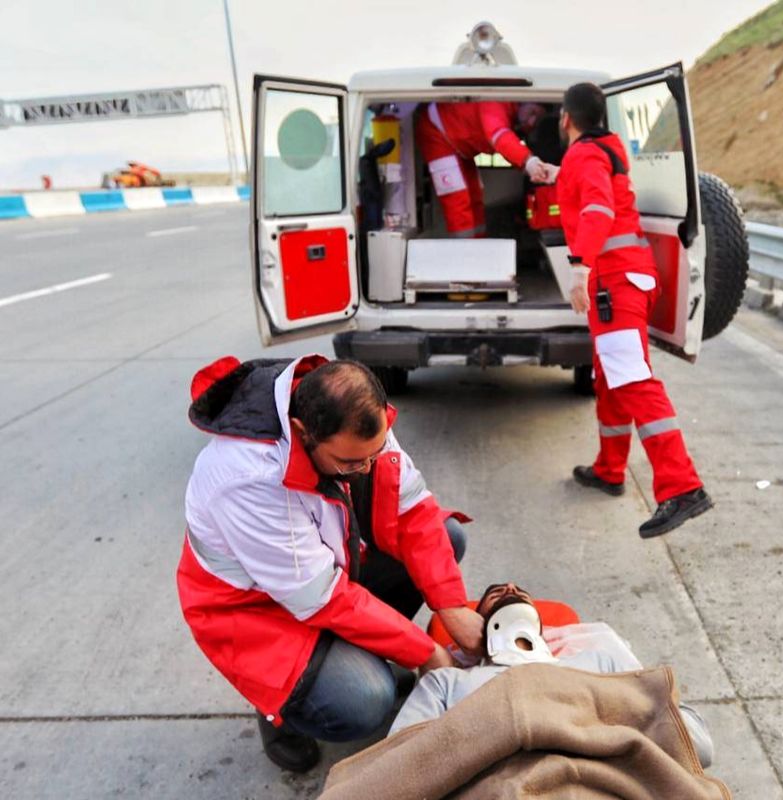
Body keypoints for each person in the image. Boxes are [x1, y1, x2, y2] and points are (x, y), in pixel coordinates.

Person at [176, 355, 485, 773]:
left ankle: (353, 659)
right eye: (351, 463)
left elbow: (413, 511)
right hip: (255, 611)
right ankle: (278, 712)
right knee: (366, 700)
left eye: (374, 453)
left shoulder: (355, 419)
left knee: (447, 538)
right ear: (304, 433)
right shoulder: (246, 478)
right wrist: (425, 651)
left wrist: (450, 606)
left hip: (321, 572)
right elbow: (322, 600)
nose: (366, 468)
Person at [556, 82, 712, 538]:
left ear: (566, 118)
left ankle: (682, 486)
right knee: (610, 379)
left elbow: (599, 211)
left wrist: (579, 267)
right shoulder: (608, 149)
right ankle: (609, 469)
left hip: (612, 283)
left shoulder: (584, 156)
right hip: (631, 278)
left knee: (632, 381)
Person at [387, 582, 714, 768]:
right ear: (475, 629)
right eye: (496, 592)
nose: (511, 587)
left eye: (518, 591)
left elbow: (698, 747)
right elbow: (395, 763)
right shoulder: (447, 681)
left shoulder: (598, 661)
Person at [415, 101, 552, 238]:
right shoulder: (495, 105)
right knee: (458, 202)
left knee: (476, 196)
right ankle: (465, 254)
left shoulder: (511, 113)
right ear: (523, 102)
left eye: (538, 120)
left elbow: (505, 146)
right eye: (532, 112)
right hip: (436, 134)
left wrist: (527, 167)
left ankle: (480, 246)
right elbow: (499, 136)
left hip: (461, 146)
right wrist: (529, 161)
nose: (531, 122)